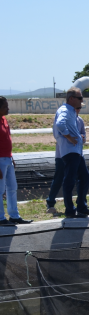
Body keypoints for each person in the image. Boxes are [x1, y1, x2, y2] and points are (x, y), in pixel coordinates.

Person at [54, 87, 89, 218]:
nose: (82, 101)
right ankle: (70, 210)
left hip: (76, 151)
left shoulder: (70, 111)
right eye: (80, 98)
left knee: (84, 177)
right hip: (70, 151)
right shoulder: (65, 110)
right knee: (70, 180)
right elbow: (60, 124)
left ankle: (81, 206)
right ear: (71, 99)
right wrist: (69, 137)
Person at [46, 101, 87, 214]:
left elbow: (84, 135)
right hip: (62, 153)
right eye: (77, 108)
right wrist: (70, 138)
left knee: (81, 178)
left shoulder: (79, 121)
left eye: (80, 108)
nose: (78, 110)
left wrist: (82, 138)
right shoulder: (65, 118)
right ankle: (50, 202)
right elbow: (58, 131)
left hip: (77, 153)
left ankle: (82, 202)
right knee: (59, 178)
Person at [0, 96, 31, 225]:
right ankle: (1, 218)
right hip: (0, 160)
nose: (8, 108)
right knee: (0, 190)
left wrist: (11, 157)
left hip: (7, 158)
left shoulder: (4, 120)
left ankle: (14, 215)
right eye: (5, 106)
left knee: (12, 188)